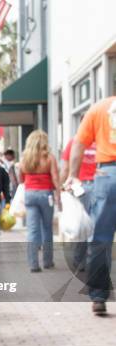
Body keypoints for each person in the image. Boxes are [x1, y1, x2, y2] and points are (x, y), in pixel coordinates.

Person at [64, 96, 116, 315]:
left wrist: (72, 176)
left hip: (108, 175)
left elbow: (79, 144)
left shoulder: (98, 109)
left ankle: (98, 296)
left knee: (101, 238)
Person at [19, 130, 61, 272]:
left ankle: (33, 264)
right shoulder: (49, 157)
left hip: (30, 194)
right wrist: (59, 197)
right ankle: (48, 261)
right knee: (47, 228)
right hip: (46, 195)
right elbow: (55, 178)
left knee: (32, 230)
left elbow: (21, 179)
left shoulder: (25, 158)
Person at [60, 137, 96, 272]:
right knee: (96, 225)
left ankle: (79, 260)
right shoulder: (102, 142)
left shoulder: (74, 142)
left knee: (81, 225)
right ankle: (94, 259)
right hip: (99, 186)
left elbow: (65, 168)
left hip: (79, 188)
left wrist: (61, 186)